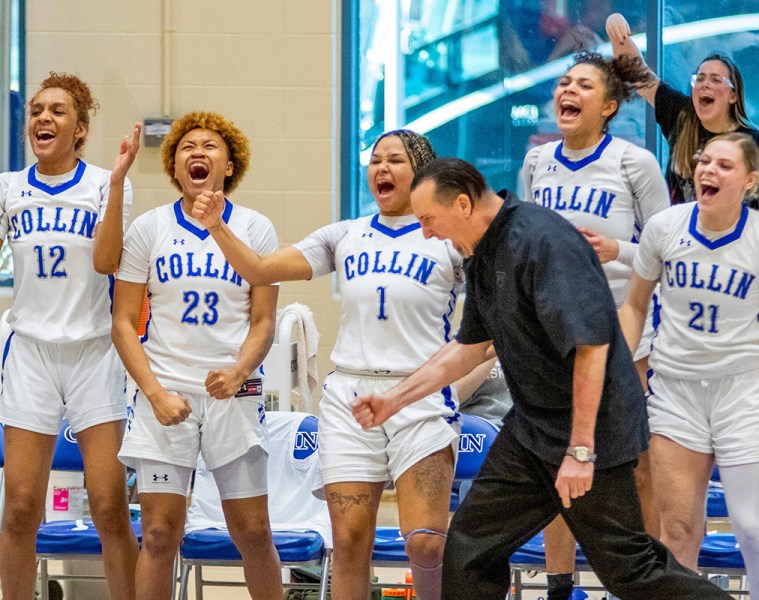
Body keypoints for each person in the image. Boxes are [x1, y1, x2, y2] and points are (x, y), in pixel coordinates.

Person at [352, 157, 732, 600]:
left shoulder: (542, 241)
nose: (427, 233)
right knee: (470, 549)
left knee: (630, 568)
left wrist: (581, 449)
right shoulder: (480, 255)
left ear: (461, 204)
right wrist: (394, 400)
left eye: (428, 219)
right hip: (532, 432)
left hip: (592, 430)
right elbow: (468, 347)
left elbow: (590, 347)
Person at [191, 129, 463, 600]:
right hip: (350, 399)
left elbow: (494, 317)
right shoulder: (344, 235)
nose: (382, 168)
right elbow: (259, 269)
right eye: (375, 159)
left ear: (422, 171)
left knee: (425, 544)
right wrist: (218, 227)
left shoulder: (448, 240)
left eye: (395, 160)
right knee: (349, 542)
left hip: (420, 395)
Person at [111, 112, 282, 600]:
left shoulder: (255, 227)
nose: (197, 152)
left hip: (233, 391)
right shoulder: (149, 228)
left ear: (229, 165)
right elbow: (123, 322)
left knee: (252, 533)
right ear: (174, 165)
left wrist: (239, 370)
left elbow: (263, 321)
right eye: (186, 147)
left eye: (210, 146)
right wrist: (155, 393)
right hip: (164, 393)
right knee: (161, 534)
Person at [521, 50, 669, 600]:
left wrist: (618, 250)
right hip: (556, 333)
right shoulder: (537, 163)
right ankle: (561, 585)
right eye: (563, 81)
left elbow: (666, 250)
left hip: (626, 331)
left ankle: (644, 583)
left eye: (584, 84)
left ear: (608, 106)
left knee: (636, 465)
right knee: (560, 462)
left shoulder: (635, 163)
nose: (569, 89)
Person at [0, 72, 140, 600]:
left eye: (58, 111)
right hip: (31, 353)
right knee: (18, 508)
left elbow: (107, 262)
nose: (43, 118)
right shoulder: (9, 188)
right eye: (37, 110)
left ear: (79, 129)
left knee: (107, 505)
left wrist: (121, 182)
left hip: (93, 353)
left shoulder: (107, 183)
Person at [619, 132, 759, 594]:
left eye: (723, 165)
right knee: (677, 531)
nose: (708, 171)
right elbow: (636, 305)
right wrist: (618, 372)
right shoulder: (665, 227)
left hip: (744, 390)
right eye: (704, 161)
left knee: (752, 526)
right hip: (676, 390)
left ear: (750, 181)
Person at [606, 12, 759, 207]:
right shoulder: (681, 115)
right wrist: (615, 24)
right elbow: (637, 75)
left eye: (715, 80)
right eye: (699, 78)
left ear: (733, 95)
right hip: (679, 234)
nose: (705, 84)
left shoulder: (753, 142)